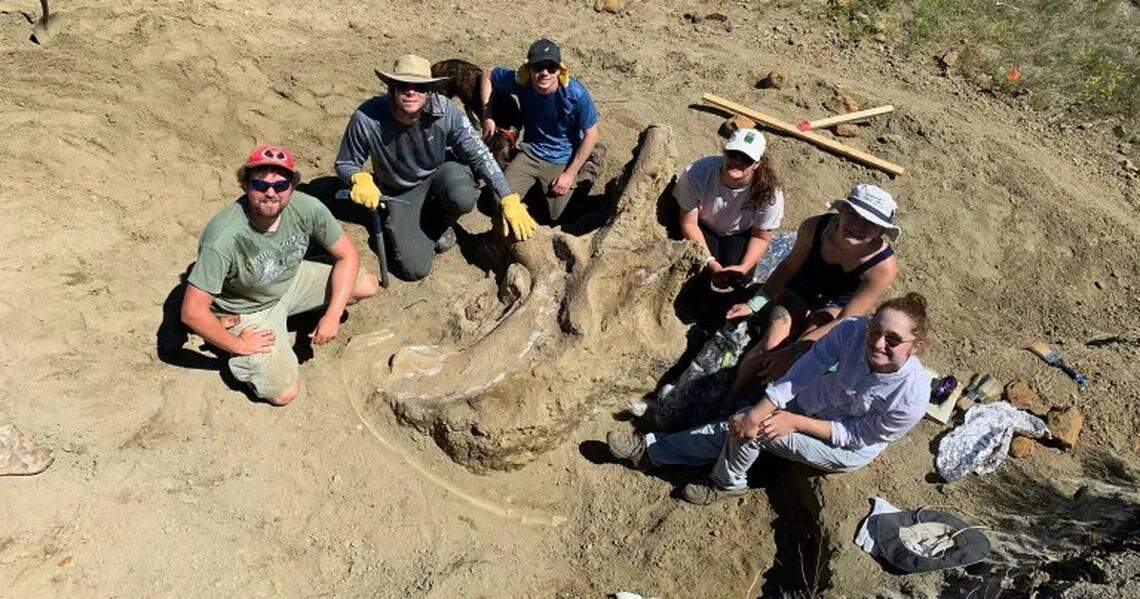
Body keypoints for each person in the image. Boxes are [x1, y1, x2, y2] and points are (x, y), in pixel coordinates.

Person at [606, 293, 932, 505]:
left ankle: (719, 480)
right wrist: (764, 409)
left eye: (893, 339)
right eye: (876, 331)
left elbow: (856, 435)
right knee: (750, 419)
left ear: (915, 346)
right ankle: (656, 451)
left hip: (842, 444)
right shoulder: (851, 331)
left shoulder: (912, 397)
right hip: (813, 404)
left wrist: (792, 422)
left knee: (759, 428)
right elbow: (806, 370)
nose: (877, 343)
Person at [181, 144, 380, 406]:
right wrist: (237, 344)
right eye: (260, 185)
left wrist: (332, 316)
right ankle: (229, 347)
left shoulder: (307, 207)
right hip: (249, 307)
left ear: (292, 186)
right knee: (285, 393)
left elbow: (348, 255)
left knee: (367, 285)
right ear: (245, 185)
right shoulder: (224, 236)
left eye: (281, 185)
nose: (271, 193)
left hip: (289, 279)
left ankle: (290, 319)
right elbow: (192, 311)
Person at [335, 54, 535, 281]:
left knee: (463, 196)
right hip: (399, 189)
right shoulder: (367, 117)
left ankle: (439, 223)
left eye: (419, 87)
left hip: (438, 172)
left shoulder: (445, 110)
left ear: (430, 90)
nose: (411, 92)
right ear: (391, 87)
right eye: (403, 85)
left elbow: (479, 154)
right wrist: (358, 178)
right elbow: (345, 163)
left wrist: (507, 196)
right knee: (414, 269)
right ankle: (417, 226)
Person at [720, 183, 900, 406]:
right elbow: (788, 267)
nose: (856, 226)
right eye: (853, 215)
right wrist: (756, 303)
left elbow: (845, 320)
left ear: (881, 231)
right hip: (801, 288)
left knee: (806, 354)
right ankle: (730, 397)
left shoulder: (882, 268)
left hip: (835, 306)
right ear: (841, 211)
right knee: (772, 342)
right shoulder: (816, 228)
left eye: (869, 223)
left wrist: (794, 351)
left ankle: (765, 404)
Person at [479, 38, 600, 223]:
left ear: (560, 70)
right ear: (529, 68)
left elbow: (592, 133)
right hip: (531, 152)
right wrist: (487, 113)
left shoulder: (576, 94)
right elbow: (488, 73)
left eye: (551, 68)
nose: (544, 73)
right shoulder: (521, 81)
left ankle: (591, 162)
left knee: (559, 216)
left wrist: (569, 174)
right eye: (538, 67)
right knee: (497, 201)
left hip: (564, 156)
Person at [675, 128, 785, 291]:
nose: (737, 161)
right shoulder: (697, 174)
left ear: (757, 164)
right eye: (733, 154)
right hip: (702, 225)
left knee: (738, 280)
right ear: (724, 153)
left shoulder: (769, 193)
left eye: (746, 159)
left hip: (739, 232)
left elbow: (761, 236)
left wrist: (744, 267)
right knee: (699, 274)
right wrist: (710, 262)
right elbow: (688, 223)